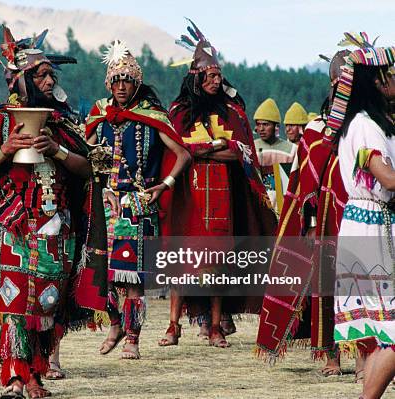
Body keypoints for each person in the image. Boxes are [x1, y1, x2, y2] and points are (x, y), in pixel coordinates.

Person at [0, 26, 95, 399]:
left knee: (48, 304)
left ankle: (37, 372)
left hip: (57, 225)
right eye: (40, 73)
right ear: (20, 79)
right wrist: (5, 151)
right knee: (15, 301)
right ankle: (14, 377)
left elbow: (86, 171)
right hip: (13, 222)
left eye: (51, 73)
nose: (49, 78)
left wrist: (56, 150)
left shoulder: (63, 124)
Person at [160, 20, 276, 348]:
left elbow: (240, 154)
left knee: (218, 263)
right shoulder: (179, 112)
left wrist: (205, 152)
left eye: (218, 76)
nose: (216, 81)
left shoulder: (231, 114)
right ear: (196, 77)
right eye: (210, 76)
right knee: (179, 259)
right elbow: (177, 150)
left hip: (223, 197)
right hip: (188, 196)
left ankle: (215, 326)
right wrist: (211, 148)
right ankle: (173, 325)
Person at [85, 40, 189, 360]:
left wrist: (164, 185)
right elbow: (83, 149)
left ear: (136, 82)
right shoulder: (99, 113)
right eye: (115, 80)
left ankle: (133, 338)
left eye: (126, 80)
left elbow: (183, 154)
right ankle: (114, 325)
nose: (120, 86)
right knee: (101, 272)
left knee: (131, 277)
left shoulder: (151, 116)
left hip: (137, 204)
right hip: (105, 203)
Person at [256, 47, 353, 376]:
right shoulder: (315, 131)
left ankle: (370, 356)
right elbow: (303, 186)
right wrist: (309, 224)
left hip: (364, 216)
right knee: (327, 287)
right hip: (326, 222)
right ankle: (332, 355)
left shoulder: (373, 126)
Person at [330, 42, 395, 399]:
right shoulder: (366, 126)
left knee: (381, 332)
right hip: (372, 226)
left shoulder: (370, 124)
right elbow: (387, 179)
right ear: (376, 82)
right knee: (391, 330)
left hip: (368, 222)